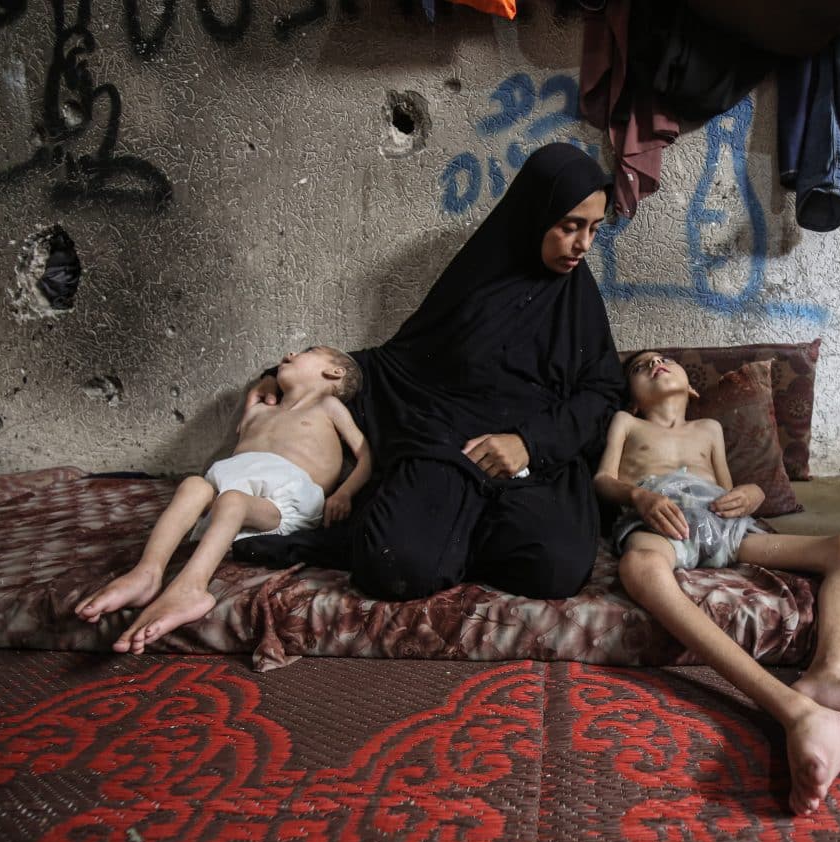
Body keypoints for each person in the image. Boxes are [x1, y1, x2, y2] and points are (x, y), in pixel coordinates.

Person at [239, 142, 624, 602]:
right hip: (448, 446)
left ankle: (452, 541)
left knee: (554, 569)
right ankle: (446, 539)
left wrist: (529, 444)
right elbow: (396, 365)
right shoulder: (478, 280)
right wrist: (284, 377)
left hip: (536, 463)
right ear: (534, 216)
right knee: (392, 565)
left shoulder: (578, 303)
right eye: (569, 227)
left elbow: (602, 392)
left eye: (594, 230)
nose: (583, 245)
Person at [596, 350, 840, 815]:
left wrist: (753, 493)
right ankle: (792, 709)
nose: (655, 364)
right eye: (641, 367)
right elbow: (603, 479)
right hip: (664, 520)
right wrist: (637, 495)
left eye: (664, 360)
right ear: (634, 400)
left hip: (726, 524)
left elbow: (728, 486)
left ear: (692, 388)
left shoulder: (709, 429)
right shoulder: (627, 423)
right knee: (638, 568)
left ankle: (835, 674)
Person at [75, 345, 371, 653]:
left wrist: (344, 492)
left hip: (286, 499)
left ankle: (192, 588)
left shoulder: (328, 406)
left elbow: (365, 455)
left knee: (232, 500)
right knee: (193, 485)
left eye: (309, 351)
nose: (292, 351)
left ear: (334, 372)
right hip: (232, 486)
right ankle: (147, 572)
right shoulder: (258, 409)